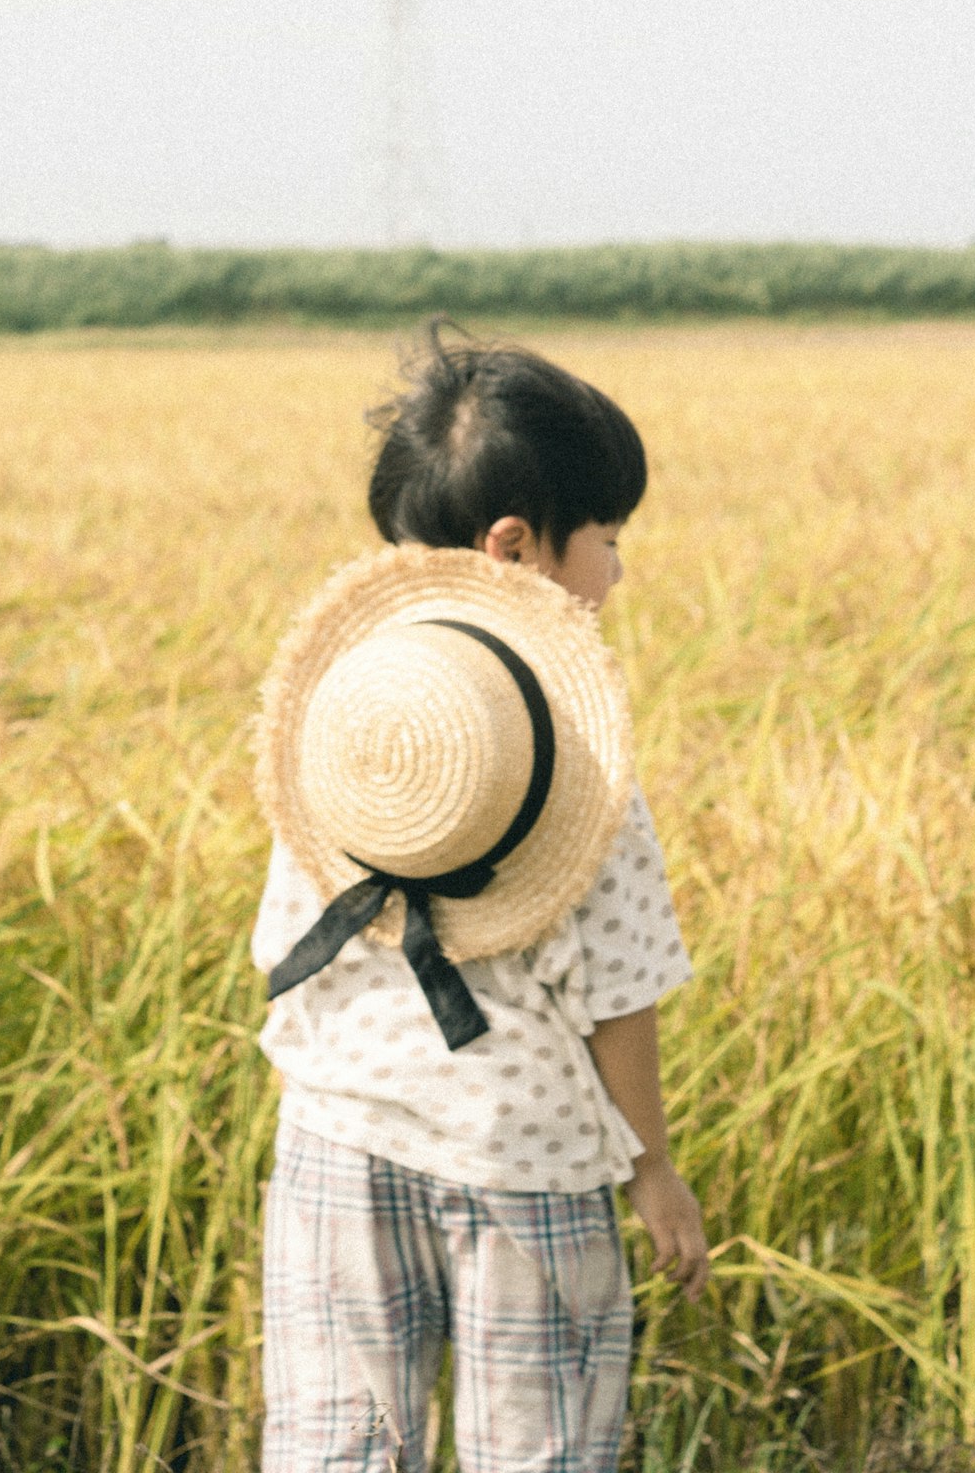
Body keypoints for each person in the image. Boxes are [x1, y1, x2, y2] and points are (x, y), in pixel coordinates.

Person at [248, 329, 706, 1473]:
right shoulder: (577, 765)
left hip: (334, 1136)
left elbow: (281, 942)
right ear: (517, 546)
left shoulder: (343, 713)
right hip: (525, 1154)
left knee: (333, 1449)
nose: (617, 569)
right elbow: (621, 990)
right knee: (539, 1450)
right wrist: (651, 1167)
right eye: (607, 538)